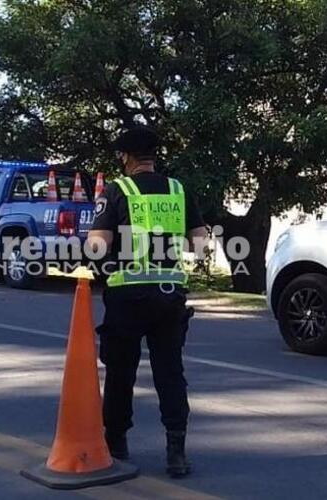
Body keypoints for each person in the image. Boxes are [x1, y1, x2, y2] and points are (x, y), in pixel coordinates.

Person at [87, 126, 207, 478]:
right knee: (170, 372)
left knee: (121, 372)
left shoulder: (117, 190)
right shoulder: (177, 190)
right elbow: (200, 245)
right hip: (169, 296)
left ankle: (118, 444)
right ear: (154, 156)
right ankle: (176, 451)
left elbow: (98, 244)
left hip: (127, 296)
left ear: (126, 156)